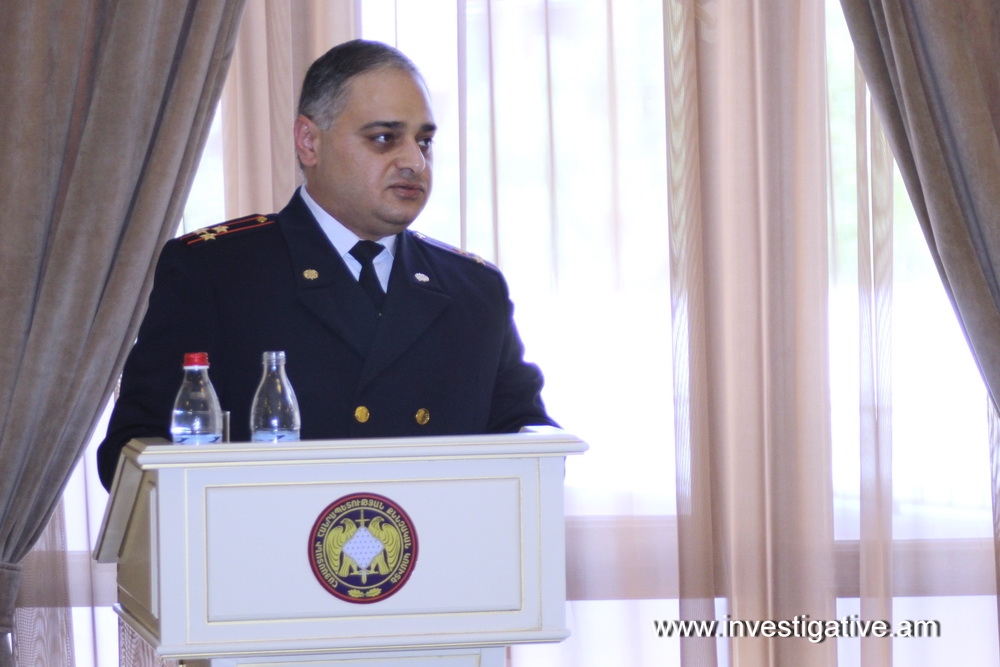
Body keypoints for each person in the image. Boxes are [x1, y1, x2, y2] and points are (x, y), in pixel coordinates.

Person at [97, 39, 556, 490]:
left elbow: (530, 441)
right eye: (384, 138)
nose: (415, 162)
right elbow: (132, 450)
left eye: (424, 141)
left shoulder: (474, 290)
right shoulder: (217, 272)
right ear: (309, 142)